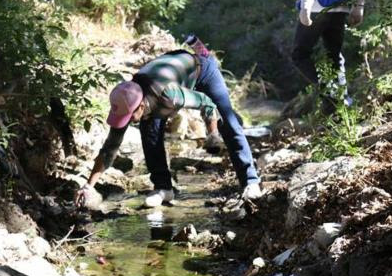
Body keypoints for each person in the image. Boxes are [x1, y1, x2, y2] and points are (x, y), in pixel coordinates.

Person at [75, 37, 261, 209]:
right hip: (168, 74)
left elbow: (207, 103)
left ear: (140, 106)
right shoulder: (126, 100)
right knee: (149, 133)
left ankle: (250, 181)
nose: (127, 121)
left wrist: (212, 134)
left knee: (227, 122)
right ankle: (163, 188)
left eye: (130, 116)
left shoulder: (169, 94)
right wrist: (88, 186)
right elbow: (109, 149)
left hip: (202, 70)